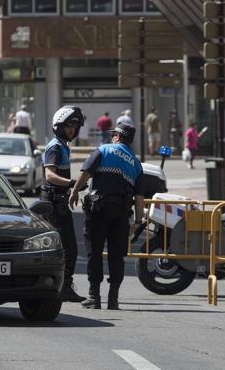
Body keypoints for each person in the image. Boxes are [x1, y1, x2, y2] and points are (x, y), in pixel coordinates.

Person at [69, 122, 145, 310]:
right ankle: (113, 299)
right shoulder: (136, 163)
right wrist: (137, 222)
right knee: (116, 255)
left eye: (114, 135)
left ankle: (94, 297)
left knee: (94, 252)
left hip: (99, 209)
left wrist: (75, 191)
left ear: (118, 136)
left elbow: (86, 172)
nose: (112, 137)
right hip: (121, 212)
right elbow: (139, 197)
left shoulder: (103, 150)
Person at [41, 106, 86, 303]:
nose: (71, 130)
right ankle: (62, 287)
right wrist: (71, 183)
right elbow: (49, 175)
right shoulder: (55, 147)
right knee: (67, 247)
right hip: (52, 204)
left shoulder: (63, 145)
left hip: (58, 202)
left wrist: (71, 191)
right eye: (68, 126)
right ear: (59, 126)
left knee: (65, 247)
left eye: (74, 126)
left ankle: (59, 285)